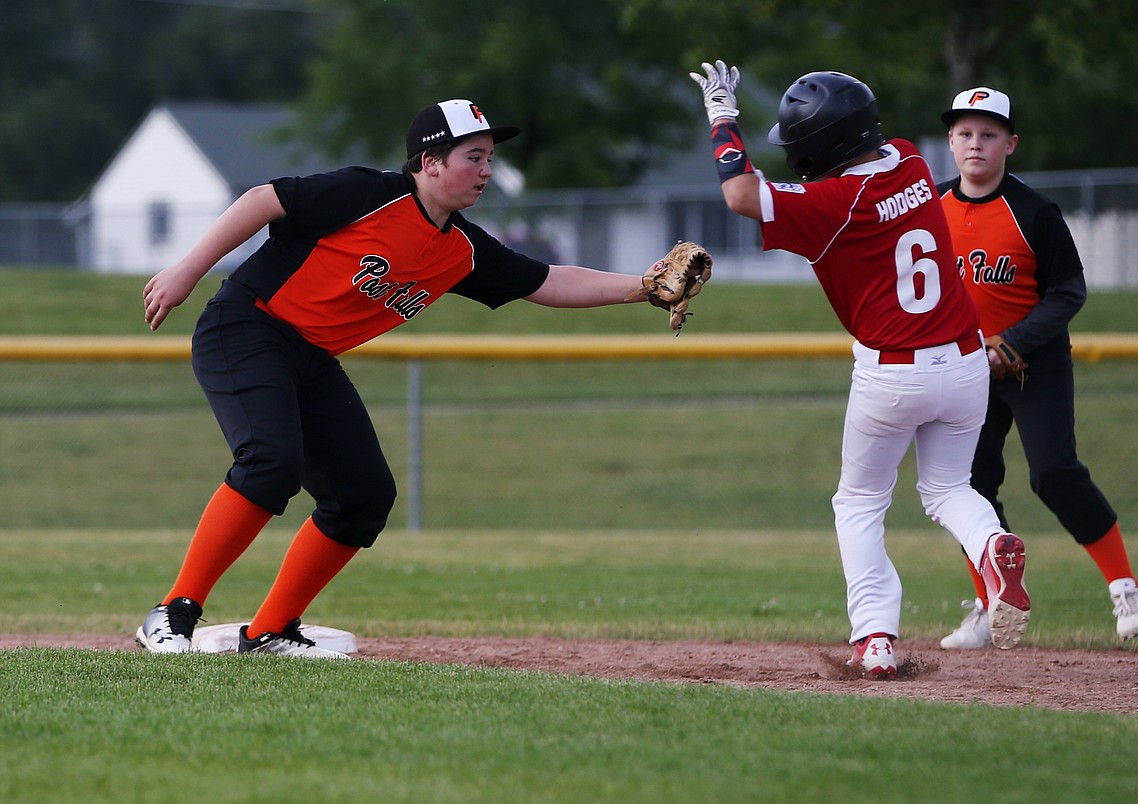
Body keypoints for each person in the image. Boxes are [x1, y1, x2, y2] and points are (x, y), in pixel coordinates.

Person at [136, 98, 664, 658]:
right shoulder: (369, 194)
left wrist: (644, 286)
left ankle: (267, 632)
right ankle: (173, 611)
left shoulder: (462, 249)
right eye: (474, 156)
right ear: (430, 162)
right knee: (270, 461)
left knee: (363, 497)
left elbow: (548, 281)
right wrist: (187, 269)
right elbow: (263, 200)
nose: (486, 170)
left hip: (311, 357)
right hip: (248, 326)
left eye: (488, 158)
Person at [689, 61, 1031, 679]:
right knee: (950, 489)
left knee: (860, 502)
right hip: (963, 363)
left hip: (892, 374)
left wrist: (722, 118)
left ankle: (875, 638)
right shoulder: (911, 162)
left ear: (817, 146)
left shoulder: (832, 204)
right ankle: (990, 545)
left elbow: (741, 193)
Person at [936, 87, 1138, 648]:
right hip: (964, 370)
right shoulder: (932, 210)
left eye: (988, 134)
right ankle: (991, 606)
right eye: (964, 133)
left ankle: (1126, 587)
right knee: (968, 486)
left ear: (1011, 143)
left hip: (1034, 365)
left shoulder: (1034, 211)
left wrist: (1011, 344)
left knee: (1053, 473)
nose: (975, 144)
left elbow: (1067, 293)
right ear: (951, 142)